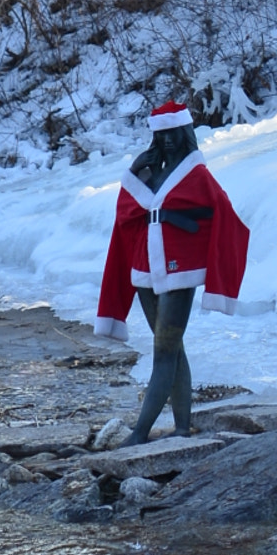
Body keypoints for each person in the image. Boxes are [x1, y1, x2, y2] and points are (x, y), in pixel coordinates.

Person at [94, 98, 250, 442]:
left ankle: (139, 432)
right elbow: (126, 214)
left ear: (184, 133)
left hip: (179, 271)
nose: (166, 140)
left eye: (172, 133)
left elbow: (225, 216)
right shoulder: (148, 173)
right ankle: (182, 428)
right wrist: (133, 172)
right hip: (145, 268)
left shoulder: (196, 174)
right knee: (172, 348)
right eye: (160, 134)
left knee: (163, 351)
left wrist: (209, 261)